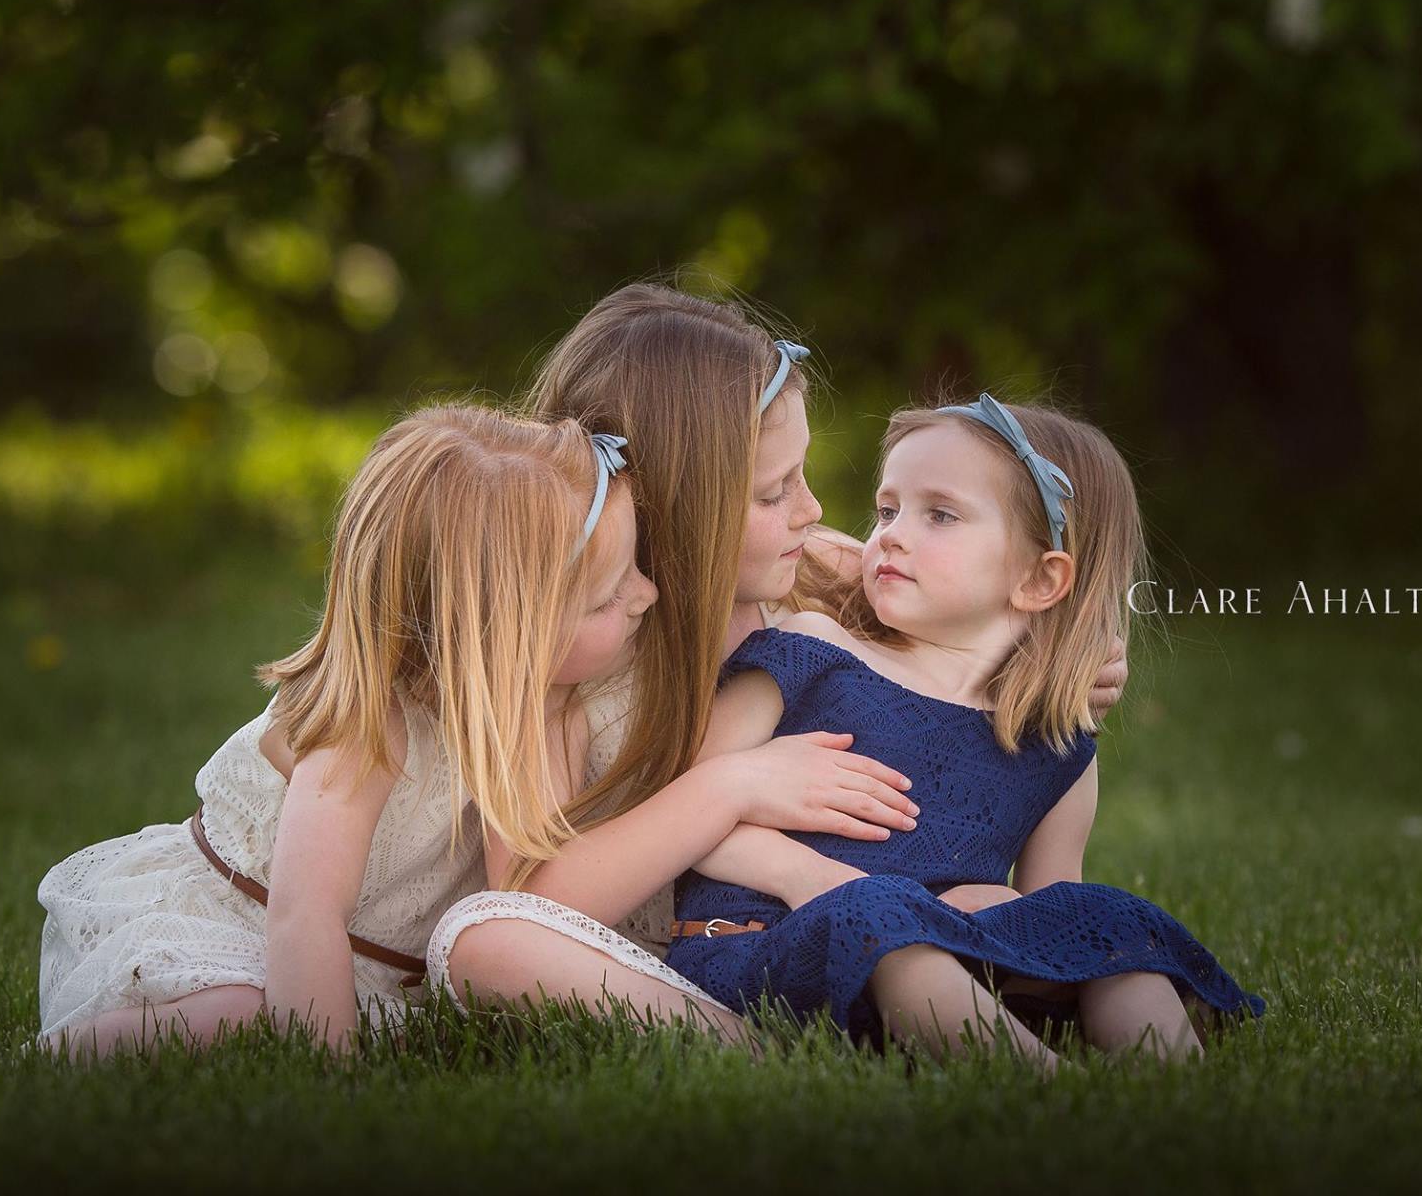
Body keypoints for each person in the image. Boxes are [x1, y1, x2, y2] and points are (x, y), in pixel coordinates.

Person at [34, 400, 912, 1056]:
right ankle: (43, 1062)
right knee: (244, 1016)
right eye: (611, 594)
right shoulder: (366, 722)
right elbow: (306, 916)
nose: (646, 596)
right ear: (505, 629)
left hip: (383, 969)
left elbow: (537, 888)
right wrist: (332, 1085)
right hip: (241, 933)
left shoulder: (540, 696)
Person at [427, 284, 1131, 1032]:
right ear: (679, 506)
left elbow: (978, 599)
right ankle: (736, 1044)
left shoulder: (814, 570)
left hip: (811, 936)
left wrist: (1060, 655)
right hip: (627, 956)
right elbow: (532, 902)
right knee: (487, 941)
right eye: (775, 492)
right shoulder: (562, 644)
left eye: (803, 474)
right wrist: (732, 786)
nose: (813, 510)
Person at [663, 394, 1264, 1065]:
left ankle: (1176, 1085)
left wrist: (1001, 913)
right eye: (888, 509)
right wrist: (811, 875)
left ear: (1040, 578)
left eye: (939, 515)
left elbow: (1052, 915)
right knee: (884, 915)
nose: (889, 532)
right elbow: (681, 807)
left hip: (928, 964)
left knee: (1099, 918)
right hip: (755, 944)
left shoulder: (1056, 743)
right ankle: (1051, 1090)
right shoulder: (813, 650)